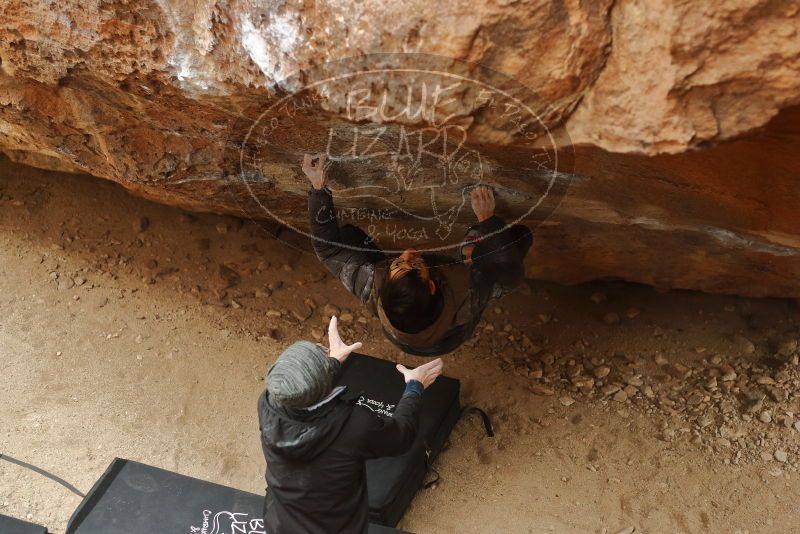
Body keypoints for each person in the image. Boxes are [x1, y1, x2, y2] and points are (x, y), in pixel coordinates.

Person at [303, 153, 533, 356]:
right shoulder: (468, 296)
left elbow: (328, 247)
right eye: (415, 263)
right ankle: (468, 252)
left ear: (384, 289)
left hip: (406, 336)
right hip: (446, 339)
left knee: (348, 238)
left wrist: (318, 188)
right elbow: (509, 276)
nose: (408, 252)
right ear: (433, 286)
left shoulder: (370, 284)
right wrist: (487, 222)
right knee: (517, 237)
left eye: (397, 264)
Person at [258, 316, 443, 534]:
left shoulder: (269, 403)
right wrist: (414, 387)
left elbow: (305, 396)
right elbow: (401, 436)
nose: (324, 351)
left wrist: (333, 363)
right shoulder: (354, 426)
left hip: (280, 523)